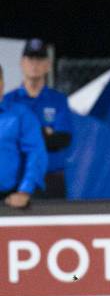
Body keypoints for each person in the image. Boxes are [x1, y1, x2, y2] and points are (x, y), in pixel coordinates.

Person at [5, 38, 73, 198]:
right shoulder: (9, 100)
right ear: (22, 62)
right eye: (30, 58)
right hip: (17, 180)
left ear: (48, 64)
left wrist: (25, 137)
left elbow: (62, 140)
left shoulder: (57, 100)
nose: (34, 64)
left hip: (51, 179)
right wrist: (43, 133)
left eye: (40, 59)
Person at [0, 64, 48, 208]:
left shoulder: (21, 115)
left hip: (11, 199)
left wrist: (25, 191)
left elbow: (36, 153)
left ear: (2, 83)